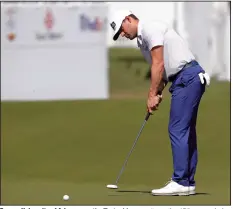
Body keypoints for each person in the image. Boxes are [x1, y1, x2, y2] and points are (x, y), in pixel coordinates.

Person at [109, 10, 210, 196]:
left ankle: (180, 180)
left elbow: (158, 65)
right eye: (118, 35)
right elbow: (161, 75)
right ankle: (187, 182)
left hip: (187, 77)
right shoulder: (142, 42)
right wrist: (156, 94)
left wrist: (151, 95)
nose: (122, 34)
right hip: (184, 79)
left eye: (121, 30)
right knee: (186, 130)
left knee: (177, 129)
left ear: (128, 19)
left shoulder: (150, 28)